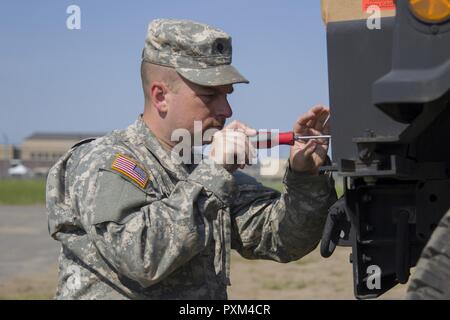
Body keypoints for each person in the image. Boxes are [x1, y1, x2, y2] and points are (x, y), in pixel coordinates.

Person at [46, 18, 337, 299]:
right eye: (210, 96)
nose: (227, 110)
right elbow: (141, 256)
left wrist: (304, 175)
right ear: (160, 96)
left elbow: (282, 239)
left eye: (227, 95)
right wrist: (214, 173)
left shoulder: (203, 172)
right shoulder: (105, 161)